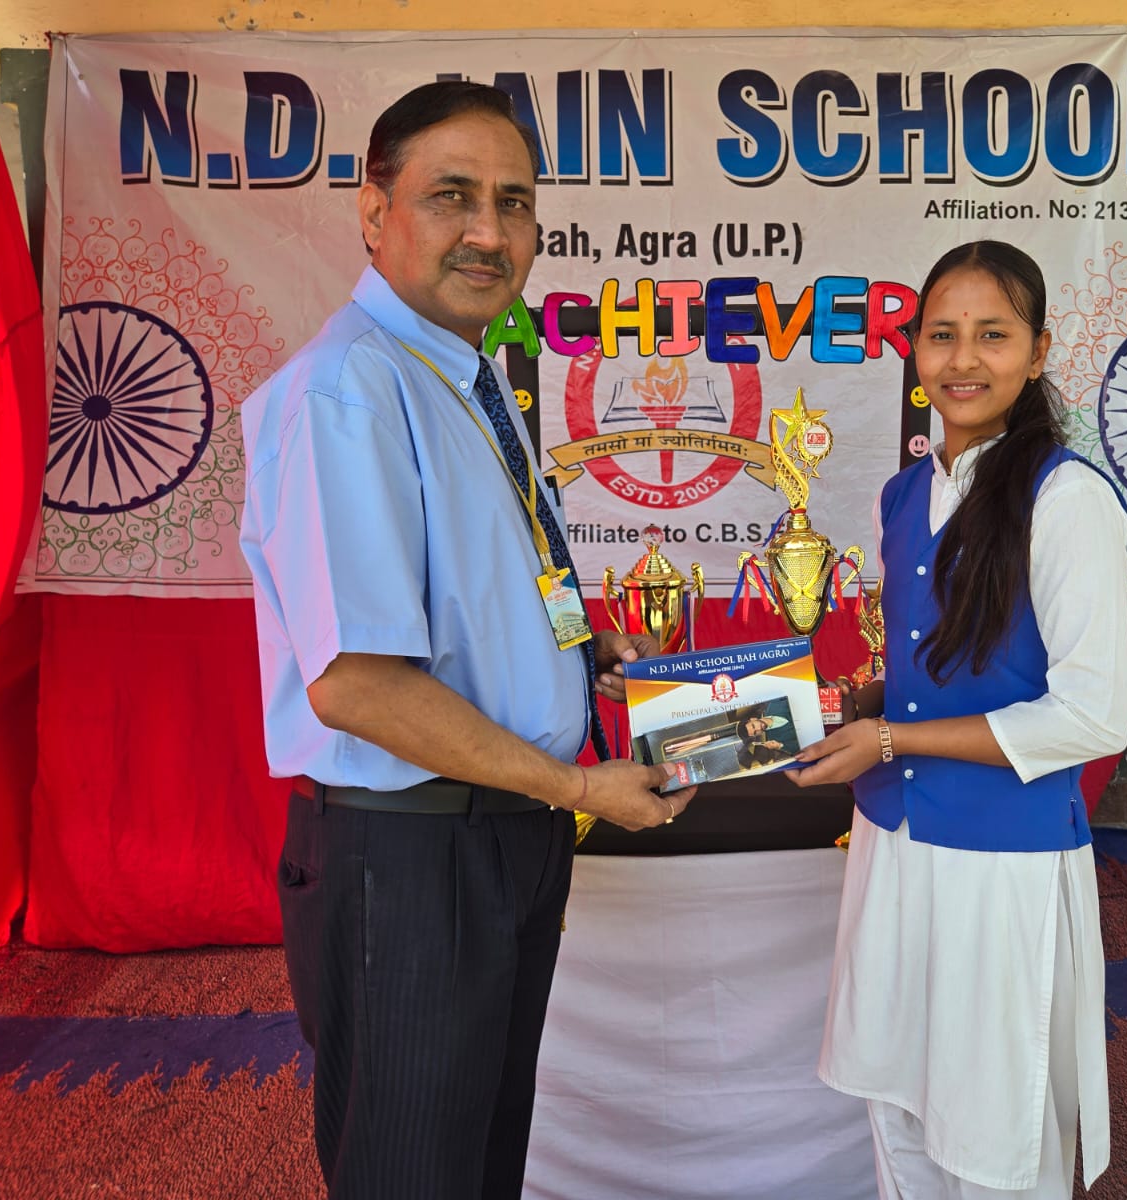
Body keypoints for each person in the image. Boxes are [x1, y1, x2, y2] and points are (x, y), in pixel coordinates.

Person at [238, 82, 692, 1200]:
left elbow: (489, 589)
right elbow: (357, 685)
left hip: (494, 838)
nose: (489, 231)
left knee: (479, 1163)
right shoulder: (350, 390)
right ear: (374, 210)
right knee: (414, 1172)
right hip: (411, 857)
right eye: (452, 196)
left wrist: (582, 652)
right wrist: (576, 788)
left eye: (513, 202)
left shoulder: (464, 372)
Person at [790, 241, 1127, 1198]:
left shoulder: (1067, 498)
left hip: (1001, 860)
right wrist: (852, 707)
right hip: (893, 840)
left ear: (1038, 350)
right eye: (941, 335)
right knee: (897, 1106)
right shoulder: (904, 493)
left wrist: (891, 738)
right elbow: (925, 676)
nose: (963, 359)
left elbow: (1093, 716)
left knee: (990, 1130)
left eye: (993, 335)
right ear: (914, 350)